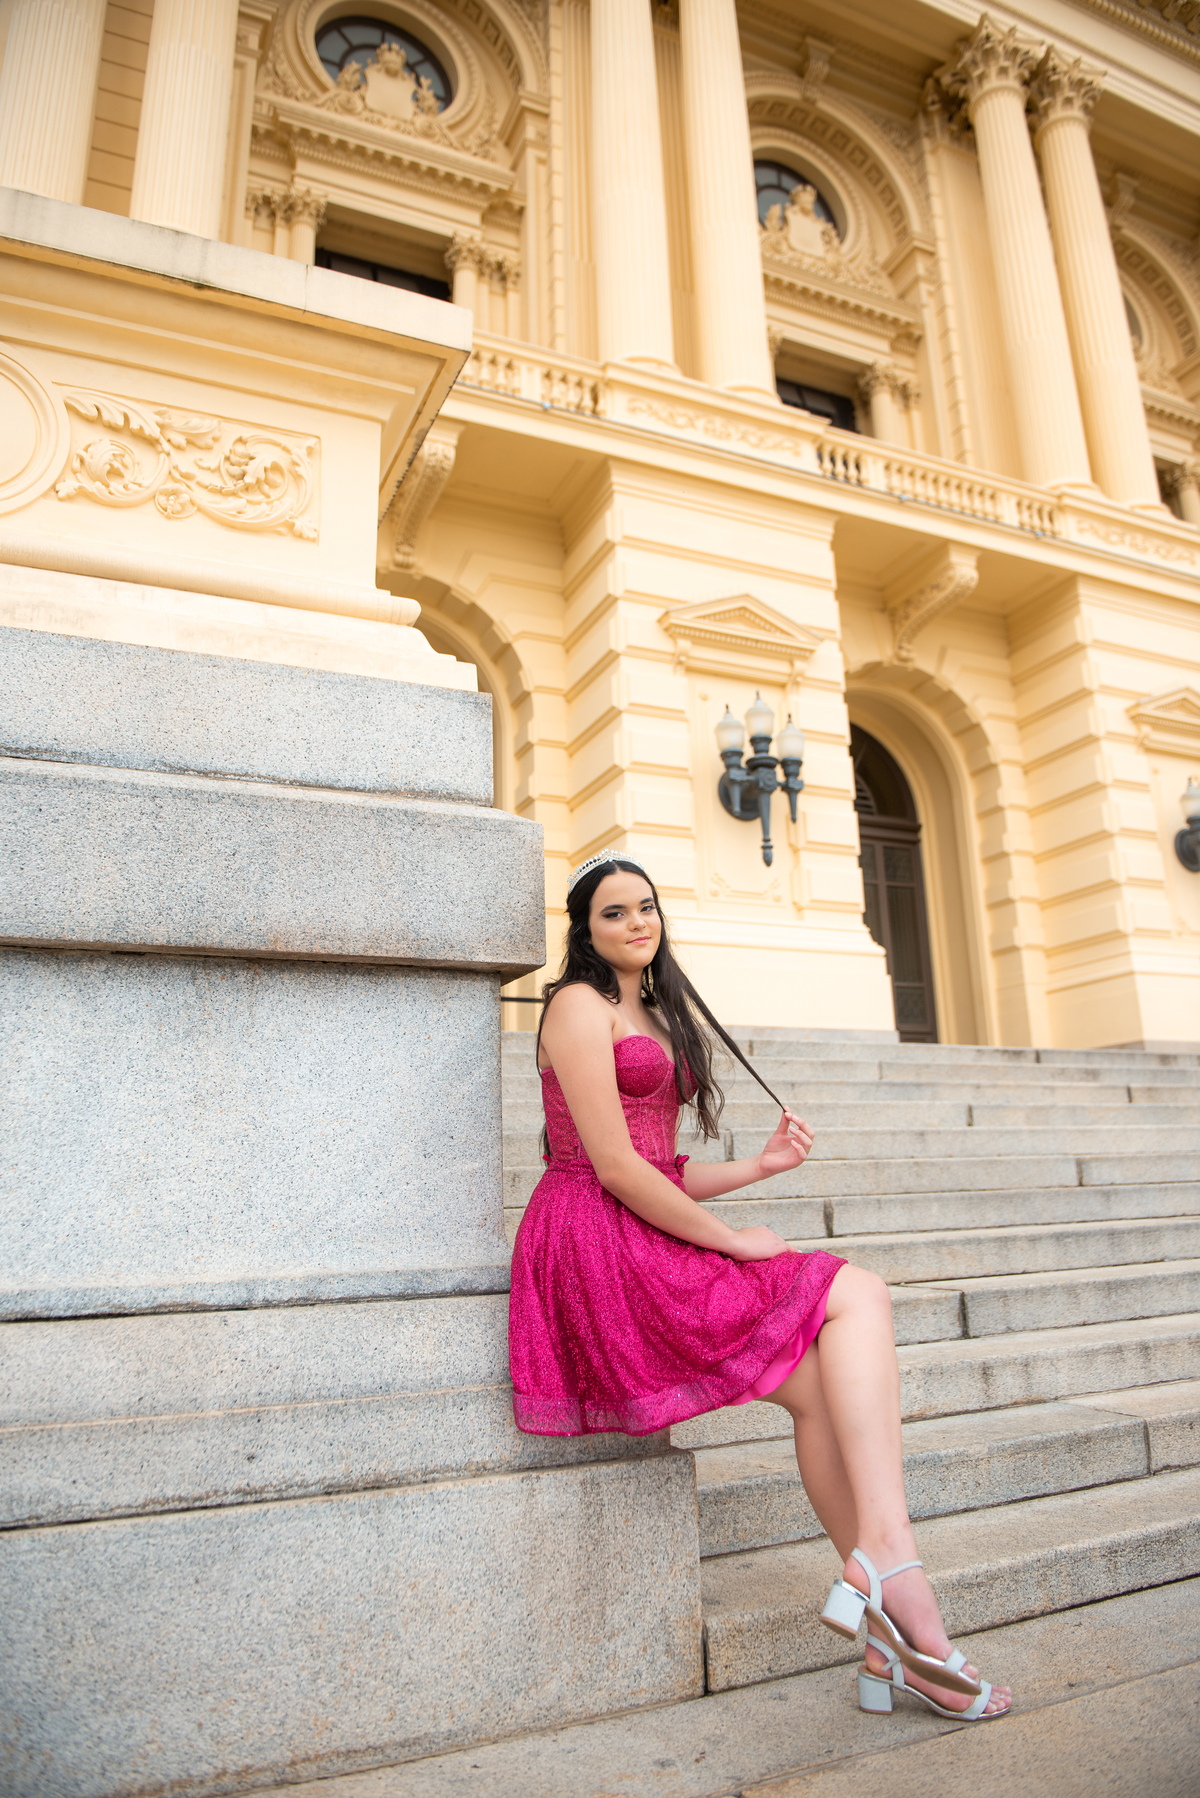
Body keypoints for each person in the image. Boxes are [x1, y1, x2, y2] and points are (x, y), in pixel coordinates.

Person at [509, 851, 1011, 1722]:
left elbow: (663, 1164)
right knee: (856, 1290)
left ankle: (893, 1631)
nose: (638, 923)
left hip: (644, 1217)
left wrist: (759, 1167)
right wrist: (735, 1244)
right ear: (583, 931)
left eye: (647, 908)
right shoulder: (573, 1006)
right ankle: (892, 1573)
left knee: (823, 1390)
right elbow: (616, 1169)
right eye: (615, 913)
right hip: (595, 1241)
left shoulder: (651, 1010)